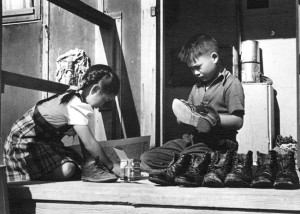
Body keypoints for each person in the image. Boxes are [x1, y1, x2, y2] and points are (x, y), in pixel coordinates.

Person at [141, 33, 245, 186]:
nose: (195, 72)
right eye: (191, 69)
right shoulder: (197, 86)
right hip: (192, 139)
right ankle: (185, 170)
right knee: (147, 158)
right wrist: (184, 117)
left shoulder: (231, 83)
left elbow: (238, 121)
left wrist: (211, 119)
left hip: (218, 143)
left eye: (198, 67)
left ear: (214, 58)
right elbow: (186, 120)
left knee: (187, 156)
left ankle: (181, 170)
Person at [3, 64, 120, 183]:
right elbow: (89, 143)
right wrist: (111, 166)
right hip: (24, 143)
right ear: (95, 89)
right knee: (68, 169)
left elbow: (86, 144)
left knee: (79, 166)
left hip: (46, 142)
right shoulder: (75, 105)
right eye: (105, 100)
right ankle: (27, 178)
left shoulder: (78, 95)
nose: (102, 105)